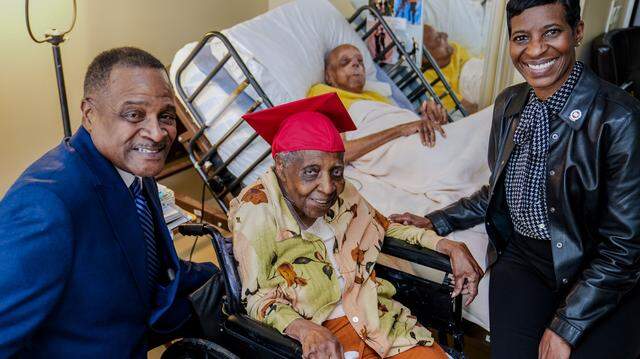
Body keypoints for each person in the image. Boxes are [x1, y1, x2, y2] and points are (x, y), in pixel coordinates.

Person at [392, 1, 640, 358]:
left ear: (577, 32)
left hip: (598, 272)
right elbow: (500, 191)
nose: (536, 49)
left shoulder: (620, 121)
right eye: (522, 37)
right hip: (525, 262)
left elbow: (624, 247)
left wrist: (565, 327)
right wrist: (435, 220)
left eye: (551, 32)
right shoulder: (510, 104)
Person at [229, 93, 483, 358]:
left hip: (376, 317)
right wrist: (303, 329)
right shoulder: (257, 210)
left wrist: (447, 244)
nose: (328, 188)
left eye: (336, 172)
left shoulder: (344, 192)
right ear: (281, 166)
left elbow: (383, 227)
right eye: (310, 172)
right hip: (320, 334)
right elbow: (257, 297)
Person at [0, 47, 217, 357]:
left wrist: (232, 264)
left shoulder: (133, 170)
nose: (157, 133)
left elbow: (146, 269)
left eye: (166, 116)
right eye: (134, 114)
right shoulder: (44, 205)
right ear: (89, 115)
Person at [422, 24, 480, 113]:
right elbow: (468, 107)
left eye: (440, 33)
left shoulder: (454, 47)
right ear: (425, 58)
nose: (445, 35)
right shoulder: (433, 79)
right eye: (438, 38)